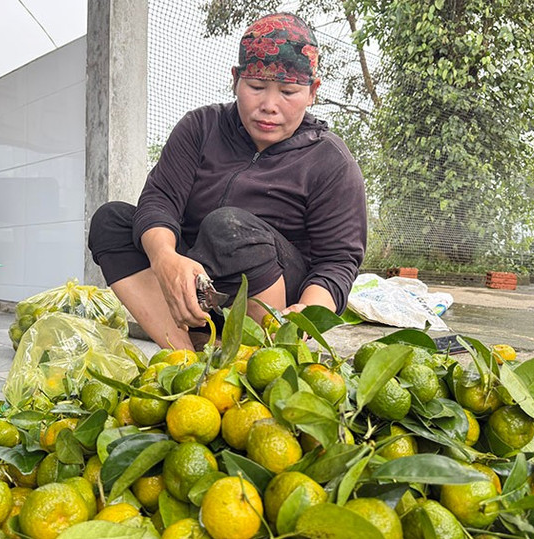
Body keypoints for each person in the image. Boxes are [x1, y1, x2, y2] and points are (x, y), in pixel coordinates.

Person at [88, 12, 366, 350]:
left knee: (227, 227)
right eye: (256, 87)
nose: (269, 106)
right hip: (198, 291)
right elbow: (159, 200)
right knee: (111, 221)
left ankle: (263, 355)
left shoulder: (330, 161)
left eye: (289, 92)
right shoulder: (200, 127)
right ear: (235, 80)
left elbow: (337, 262)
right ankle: (184, 357)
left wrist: (307, 314)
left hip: (275, 297)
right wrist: (165, 258)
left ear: (313, 92)